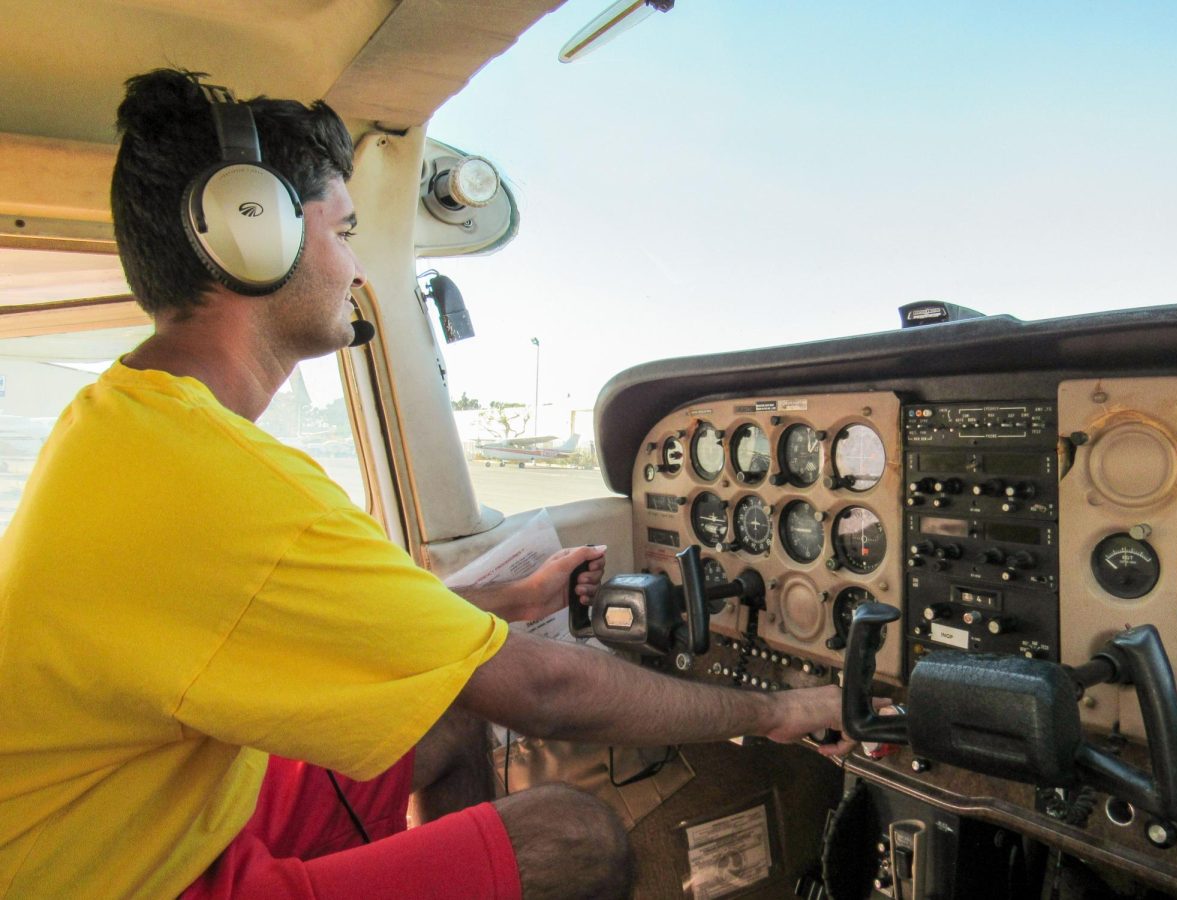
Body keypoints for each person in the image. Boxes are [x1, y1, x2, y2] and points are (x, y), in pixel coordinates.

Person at [0, 69, 855, 900]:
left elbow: (346, 630)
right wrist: (780, 711)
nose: (360, 272)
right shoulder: (226, 478)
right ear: (252, 235)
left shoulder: (122, 421)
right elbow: (545, 693)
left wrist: (518, 600)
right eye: (342, 234)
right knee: (573, 838)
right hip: (118, 878)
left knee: (441, 707)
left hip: (140, 825)